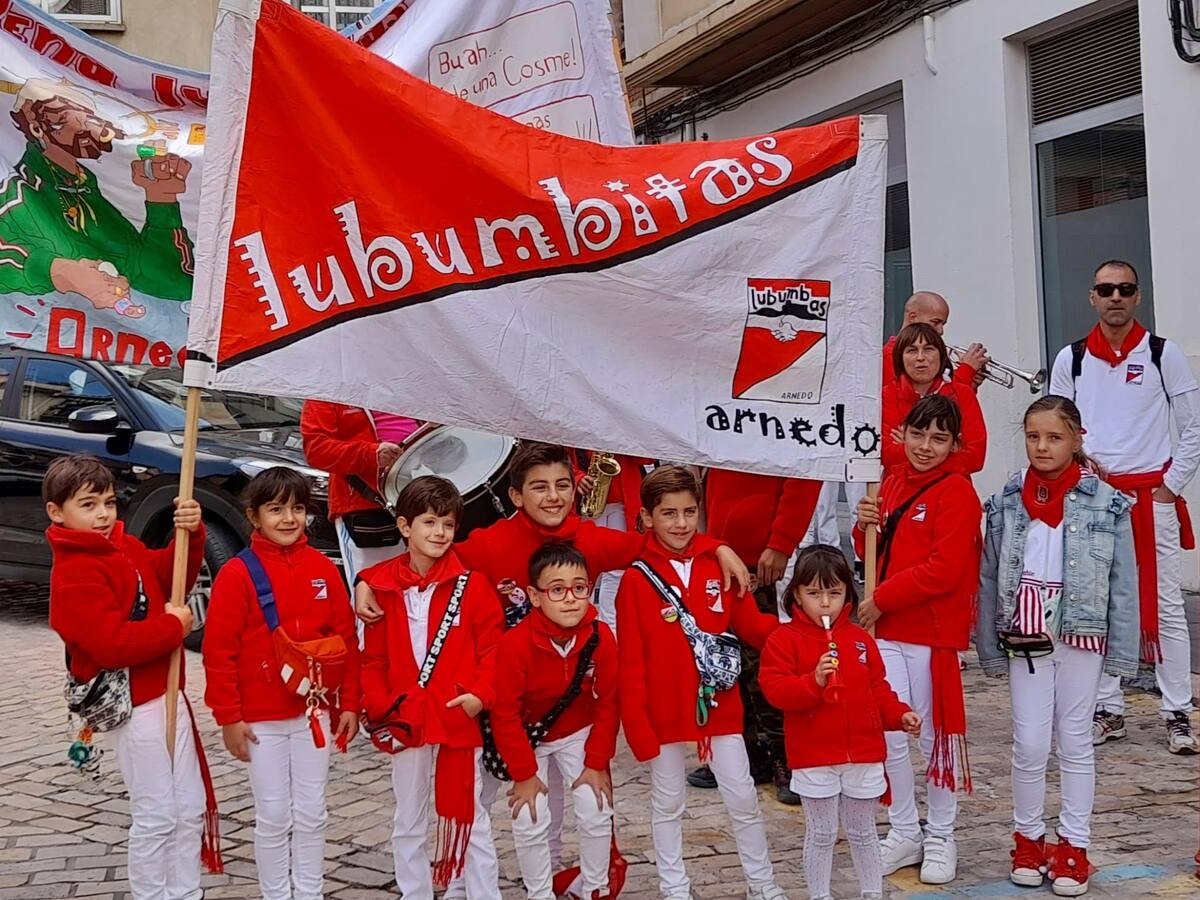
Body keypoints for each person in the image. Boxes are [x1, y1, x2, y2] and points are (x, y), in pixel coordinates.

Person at [976, 396, 1139, 896]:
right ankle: (1028, 838)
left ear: (1076, 439)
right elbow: (989, 572)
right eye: (1033, 436)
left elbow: (1123, 581)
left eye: (1054, 437)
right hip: (1024, 634)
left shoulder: (1106, 502)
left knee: (1075, 741)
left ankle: (1074, 844)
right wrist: (986, 643)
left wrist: (1123, 652)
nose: (1043, 446)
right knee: (1028, 743)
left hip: (1081, 635)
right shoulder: (1006, 501)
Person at [45, 454, 221, 899]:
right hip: (134, 706)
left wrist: (190, 533)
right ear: (56, 512)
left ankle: (186, 892)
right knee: (158, 813)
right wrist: (174, 627)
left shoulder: (122, 546)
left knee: (188, 808)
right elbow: (113, 645)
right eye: (87, 505)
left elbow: (166, 576)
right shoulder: (74, 574)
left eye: (107, 502)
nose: (103, 514)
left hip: (167, 693)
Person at [1049, 260, 1200, 755]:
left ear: (1138, 297)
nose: (1115, 297)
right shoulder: (1071, 359)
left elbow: (1193, 426)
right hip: (1095, 499)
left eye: (1125, 289)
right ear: (1092, 297)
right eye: (1106, 289)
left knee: (1167, 607)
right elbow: (1056, 430)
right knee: (1097, 606)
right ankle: (1107, 708)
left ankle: (1177, 710)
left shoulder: (1163, 354)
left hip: (1150, 494)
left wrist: (1171, 487)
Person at [617, 466, 787, 900]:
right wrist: (636, 724)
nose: (680, 523)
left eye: (690, 512)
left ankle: (762, 884)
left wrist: (803, 633)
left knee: (744, 799)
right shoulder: (635, 580)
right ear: (647, 517)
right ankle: (675, 888)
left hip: (722, 709)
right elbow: (630, 660)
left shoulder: (718, 565)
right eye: (669, 513)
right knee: (668, 803)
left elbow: (753, 627)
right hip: (664, 712)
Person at [202, 467, 361, 900]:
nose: (289, 518)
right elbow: (219, 653)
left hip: (314, 714)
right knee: (273, 814)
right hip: (261, 719)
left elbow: (347, 640)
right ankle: (276, 893)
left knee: (312, 813)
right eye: (276, 509)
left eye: (297, 509)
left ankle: (308, 892)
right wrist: (228, 717)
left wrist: (350, 704)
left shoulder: (323, 569)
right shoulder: (237, 574)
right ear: (254, 517)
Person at [854, 395, 982, 885]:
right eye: (918, 435)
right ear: (901, 434)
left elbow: (944, 570)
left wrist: (882, 598)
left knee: (935, 740)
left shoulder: (958, 493)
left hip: (929, 630)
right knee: (890, 732)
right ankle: (904, 829)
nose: (925, 447)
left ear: (954, 444)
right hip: (887, 628)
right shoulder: (889, 483)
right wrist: (863, 526)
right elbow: (876, 551)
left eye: (938, 438)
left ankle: (942, 833)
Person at [358, 476, 505, 899]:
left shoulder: (473, 585)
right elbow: (374, 659)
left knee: (470, 816)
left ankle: (482, 893)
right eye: (429, 523)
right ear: (405, 527)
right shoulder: (382, 587)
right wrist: (381, 704)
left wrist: (480, 696)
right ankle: (415, 892)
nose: (439, 533)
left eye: (447, 524)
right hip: (406, 717)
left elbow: (493, 652)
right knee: (409, 816)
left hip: (459, 714)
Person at [760, 545, 920, 900]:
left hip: (863, 753)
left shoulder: (861, 640)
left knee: (864, 831)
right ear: (796, 595)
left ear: (848, 591)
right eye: (814, 594)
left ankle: (872, 892)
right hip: (814, 756)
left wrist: (899, 714)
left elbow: (878, 690)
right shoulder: (784, 641)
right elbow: (776, 691)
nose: (826, 603)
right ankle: (820, 895)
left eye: (834, 593)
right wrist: (813, 681)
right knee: (821, 833)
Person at [0, 79, 196, 315]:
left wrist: (161, 200)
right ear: (38, 126)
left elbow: (172, 283)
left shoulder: (87, 191)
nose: (91, 127)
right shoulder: (16, 194)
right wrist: (56, 270)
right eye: (70, 116)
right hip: (33, 347)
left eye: (89, 117)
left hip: (111, 346)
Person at [492, 542, 619, 900]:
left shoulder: (600, 636)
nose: (570, 599)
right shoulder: (515, 644)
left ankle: (595, 887)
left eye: (579, 588)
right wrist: (524, 775)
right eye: (557, 589)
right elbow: (504, 714)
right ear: (534, 596)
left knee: (595, 807)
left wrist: (596, 764)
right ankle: (540, 893)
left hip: (576, 730)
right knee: (530, 814)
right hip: (527, 737)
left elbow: (609, 702)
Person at [699, 467, 820, 802]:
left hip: (756, 555)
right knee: (725, 657)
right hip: (716, 546)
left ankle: (785, 755)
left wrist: (782, 540)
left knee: (762, 661)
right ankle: (749, 752)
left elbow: (804, 470)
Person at [300, 400, 419, 590]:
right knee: (373, 593)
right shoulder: (328, 388)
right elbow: (317, 450)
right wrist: (371, 455)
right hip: (366, 502)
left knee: (419, 591)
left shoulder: (410, 379)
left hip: (420, 498)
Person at [881, 323, 987, 480]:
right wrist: (947, 449)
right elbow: (886, 455)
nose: (920, 357)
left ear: (941, 355)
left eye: (928, 349)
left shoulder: (962, 393)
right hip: (900, 490)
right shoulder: (887, 395)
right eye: (911, 350)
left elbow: (975, 458)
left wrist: (908, 445)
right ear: (900, 357)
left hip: (950, 490)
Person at [881, 291, 988, 391]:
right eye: (935, 322)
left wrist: (971, 384)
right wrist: (967, 370)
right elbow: (925, 400)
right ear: (913, 317)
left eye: (943, 324)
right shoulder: (891, 354)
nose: (941, 331)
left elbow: (950, 404)